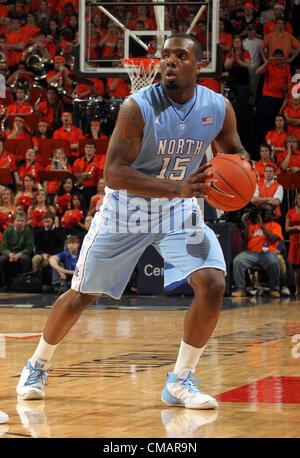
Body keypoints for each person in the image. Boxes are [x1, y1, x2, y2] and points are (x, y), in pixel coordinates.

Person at [16, 33, 249, 409]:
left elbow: (233, 149)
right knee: (81, 296)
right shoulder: (137, 107)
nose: (170, 62)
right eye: (165, 56)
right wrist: (177, 188)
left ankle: (181, 380)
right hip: (128, 209)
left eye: (180, 56)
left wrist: (244, 168)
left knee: (213, 282)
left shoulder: (218, 107)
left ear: (198, 65)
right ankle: (37, 364)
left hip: (179, 210)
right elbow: (114, 173)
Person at [232, 204, 283, 298]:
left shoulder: (276, 226)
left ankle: (274, 289)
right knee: (238, 261)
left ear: (273, 214)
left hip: (267, 253)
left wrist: (262, 227)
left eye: (269, 212)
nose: (267, 214)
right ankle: (240, 289)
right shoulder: (253, 225)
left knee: (273, 261)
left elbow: (273, 239)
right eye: (264, 212)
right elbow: (245, 237)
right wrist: (247, 225)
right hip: (250, 253)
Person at [0, 211, 34, 291]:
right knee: (2, 259)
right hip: (10, 253)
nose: (20, 223)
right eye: (18, 220)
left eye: (22, 221)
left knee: (24, 259)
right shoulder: (7, 232)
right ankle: (6, 284)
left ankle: (21, 283)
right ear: (14, 221)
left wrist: (19, 254)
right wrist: (10, 254)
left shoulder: (28, 232)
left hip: (22, 253)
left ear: (25, 222)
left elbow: (29, 247)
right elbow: (4, 247)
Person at [285, 192, 300, 296]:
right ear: (296, 199)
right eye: (299, 198)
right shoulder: (291, 212)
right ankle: (297, 290)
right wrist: (295, 228)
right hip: (295, 240)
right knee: (297, 267)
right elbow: (286, 228)